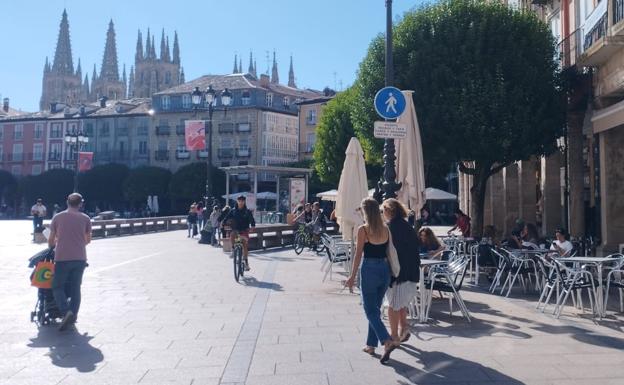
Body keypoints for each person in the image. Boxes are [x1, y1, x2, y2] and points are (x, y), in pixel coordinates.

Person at [345, 198, 398, 364]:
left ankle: (387, 340)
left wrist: (352, 276)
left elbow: (358, 254)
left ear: (365, 212)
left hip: (369, 270)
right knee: (375, 308)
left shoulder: (363, 230)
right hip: (384, 271)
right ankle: (370, 345)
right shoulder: (386, 229)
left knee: (370, 310)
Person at [47, 193, 91, 331]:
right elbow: (88, 240)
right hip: (80, 257)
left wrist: (53, 245)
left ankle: (66, 312)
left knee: (57, 286)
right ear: (80, 204)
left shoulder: (58, 217)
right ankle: (73, 314)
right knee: (75, 287)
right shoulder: (86, 218)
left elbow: (51, 239)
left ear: (67, 202)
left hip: (62, 257)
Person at [383, 198, 420, 345]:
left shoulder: (390, 227)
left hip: (397, 271)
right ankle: (404, 327)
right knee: (401, 303)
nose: (383, 213)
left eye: (384, 210)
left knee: (392, 304)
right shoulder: (407, 226)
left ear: (389, 211)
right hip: (410, 270)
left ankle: (394, 336)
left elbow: (390, 252)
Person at [225, 196, 256, 271]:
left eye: (242, 201)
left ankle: (246, 262)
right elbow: (226, 218)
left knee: (244, 245)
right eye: (239, 200)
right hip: (236, 230)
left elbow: (252, 220)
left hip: (244, 230)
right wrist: (223, 224)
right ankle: (233, 250)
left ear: (244, 202)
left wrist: (252, 226)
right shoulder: (233, 210)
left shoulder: (247, 211)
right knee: (232, 235)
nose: (241, 202)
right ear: (237, 201)